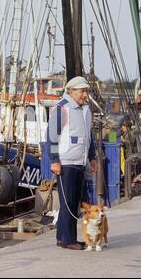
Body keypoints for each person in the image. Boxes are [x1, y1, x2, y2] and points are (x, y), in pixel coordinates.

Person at [47, 76, 97, 250]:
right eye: (82, 91)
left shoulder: (85, 110)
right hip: (66, 162)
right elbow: (52, 137)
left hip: (80, 161)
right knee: (69, 202)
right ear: (71, 91)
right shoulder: (62, 109)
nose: (85, 95)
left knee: (73, 201)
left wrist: (92, 157)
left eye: (86, 91)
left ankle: (62, 236)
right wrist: (54, 161)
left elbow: (88, 137)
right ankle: (69, 240)